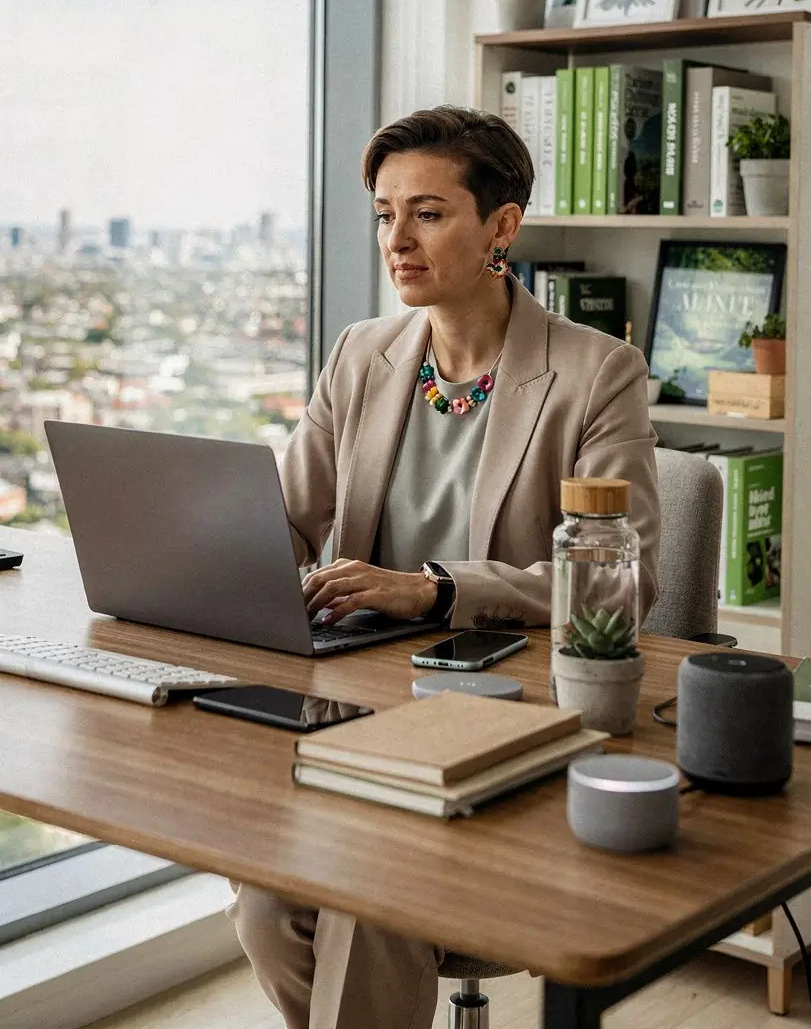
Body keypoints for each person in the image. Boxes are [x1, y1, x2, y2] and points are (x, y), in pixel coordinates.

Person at [228, 104, 660, 1029]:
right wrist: (209, 546)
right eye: (385, 214)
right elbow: (288, 524)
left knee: (367, 897)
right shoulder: (359, 356)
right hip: (358, 712)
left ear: (503, 226)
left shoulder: (596, 373)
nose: (398, 239)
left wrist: (436, 588)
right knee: (266, 905)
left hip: (510, 723)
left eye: (427, 213)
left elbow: (627, 583)